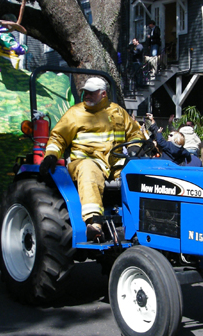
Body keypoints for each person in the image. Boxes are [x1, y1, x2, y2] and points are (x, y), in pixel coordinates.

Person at [39, 77, 143, 240]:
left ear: (103, 94)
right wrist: (51, 156)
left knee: (140, 171)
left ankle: (143, 223)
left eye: (91, 93)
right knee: (89, 170)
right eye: (85, 92)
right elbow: (58, 137)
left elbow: (135, 133)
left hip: (115, 165)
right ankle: (94, 223)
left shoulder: (118, 112)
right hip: (85, 164)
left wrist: (134, 148)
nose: (86, 95)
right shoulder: (75, 113)